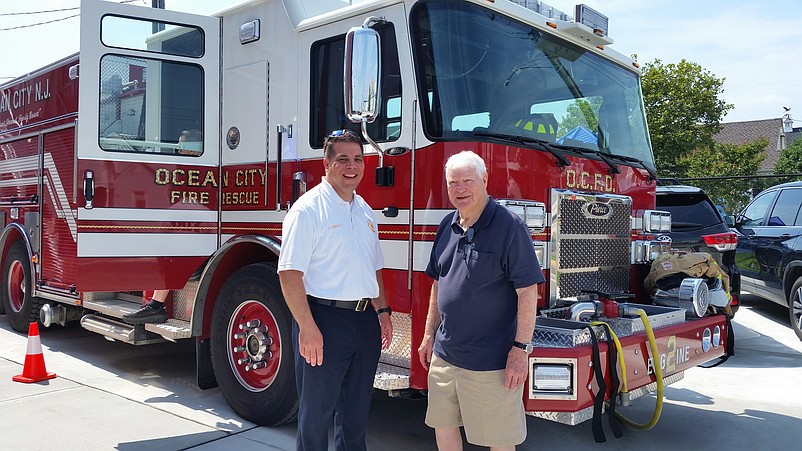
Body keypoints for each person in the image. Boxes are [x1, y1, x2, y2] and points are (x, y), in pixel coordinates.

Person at [418, 150, 545, 451]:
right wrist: (427, 334)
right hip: (445, 356)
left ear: (485, 180)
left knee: (499, 441)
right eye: (453, 183)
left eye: (467, 181)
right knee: (443, 426)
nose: (460, 189)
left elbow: (528, 292)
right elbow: (439, 283)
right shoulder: (446, 225)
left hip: (492, 363)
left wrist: (520, 350)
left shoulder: (510, 227)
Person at [277, 129, 393, 451]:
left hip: (363, 321)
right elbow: (289, 274)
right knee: (316, 417)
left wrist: (382, 311)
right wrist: (308, 327)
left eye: (358, 159)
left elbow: (375, 267)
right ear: (326, 164)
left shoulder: (365, 211)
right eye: (342, 159)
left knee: (355, 417)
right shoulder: (308, 210)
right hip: (323, 320)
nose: (351, 166)